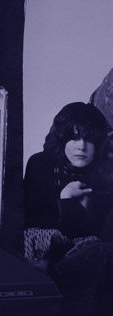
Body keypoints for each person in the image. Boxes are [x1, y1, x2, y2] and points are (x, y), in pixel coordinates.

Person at [24, 102, 113, 239]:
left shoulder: (105, 173)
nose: (82, 146)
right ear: (62, 139)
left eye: (89, 139)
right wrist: (66, 200)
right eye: (74, 138)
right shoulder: (40, 165)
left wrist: (86, 207)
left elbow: (97, 238)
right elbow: (34, 229)